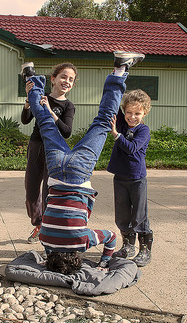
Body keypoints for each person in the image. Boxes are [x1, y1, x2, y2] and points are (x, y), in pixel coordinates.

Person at [22, 51, 145, 274]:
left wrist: (103, 263)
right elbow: (51, 250)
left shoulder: (82, 242)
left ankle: (120, 68)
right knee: (44, 120)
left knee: (103, 120)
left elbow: (111, 238)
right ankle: (30, 76)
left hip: (80, 171)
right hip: (57, 169)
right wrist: (46, 260)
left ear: (77, 258)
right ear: (49, 258)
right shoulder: (45, 238)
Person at [21, 62, 76, 243]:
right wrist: (29, 100)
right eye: (63, 77)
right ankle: (37, 222)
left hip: (55, 150)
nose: (66, 81)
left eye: (71, 79)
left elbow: (66, 131)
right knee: (31, 189)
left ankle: (46, 226)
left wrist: (51, 112)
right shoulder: (41, 96)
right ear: (53, 79)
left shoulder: (68, 106)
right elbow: (26, 120)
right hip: (37, 145)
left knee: (48, 190)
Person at [107, 88, 153, 267]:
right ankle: (128, 245)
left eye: (137, 113)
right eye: (128, 112)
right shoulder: (123, 123)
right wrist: (117, 80)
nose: (132, 117)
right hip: (120, 177)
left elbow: (131, 148)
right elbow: (115, 101)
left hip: (137, 179)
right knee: (122, 213)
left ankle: (145, 249)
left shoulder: (143, 131)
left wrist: (116, 134)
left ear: (145, 113)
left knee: (139, 215)